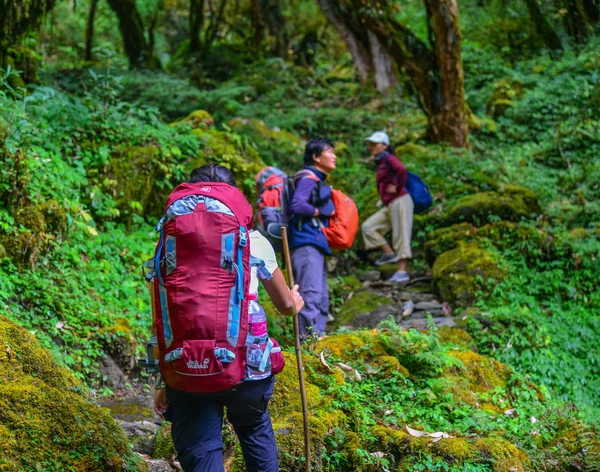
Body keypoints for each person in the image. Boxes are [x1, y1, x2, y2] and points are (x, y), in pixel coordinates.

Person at [153, 164, 304, 472]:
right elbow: (286, 306)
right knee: (253, 428)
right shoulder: (254, 240)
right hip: (246, 366)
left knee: (200, 449)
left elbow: (164, 315)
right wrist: (296, 300)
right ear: (234, 196)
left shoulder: (169, 244)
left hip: (185, 367)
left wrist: (161, 378)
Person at [288, 138, 336, 339]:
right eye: (329, 151)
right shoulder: (308, 178)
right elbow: (297, 205)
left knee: (321, 294)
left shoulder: (315, 179)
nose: (334, 156)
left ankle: (317, 337)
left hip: (313, 242)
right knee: (310, 293)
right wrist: (317, 211)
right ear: (316, 157)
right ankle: (308, 343)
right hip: (305, 242)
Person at [362, 131, 414, 283]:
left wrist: (397, 188)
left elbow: (402, 170)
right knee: (368, 227)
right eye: (370, 144)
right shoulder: (381, 161)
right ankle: (388, 253)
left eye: (375, 144)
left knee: (401, 234)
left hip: (400, 200)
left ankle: (402, 271)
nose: (371, 147)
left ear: (384, 146)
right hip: (390, 203)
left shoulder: (388, 158)